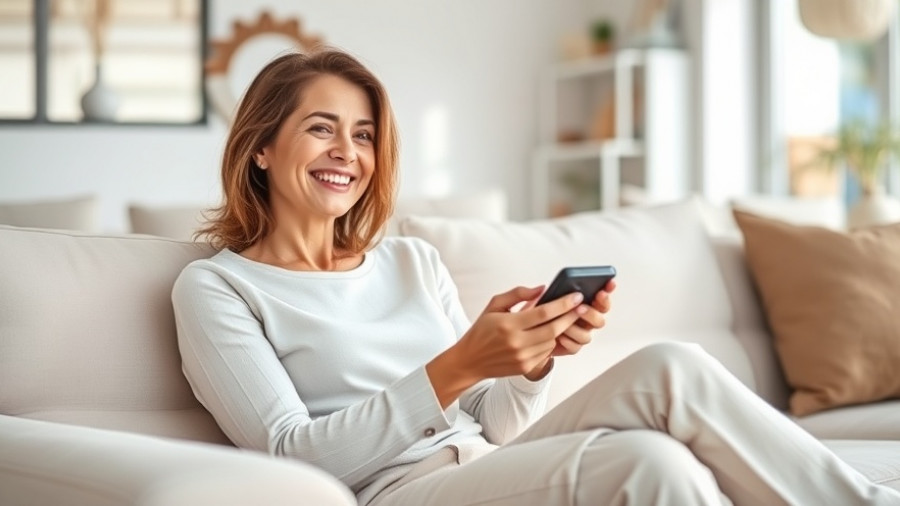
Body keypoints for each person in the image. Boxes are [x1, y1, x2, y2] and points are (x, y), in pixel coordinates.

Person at [172, 47, 900, 506]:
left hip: (490, 461)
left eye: (363, 134)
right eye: (321, 127)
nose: (348, 152)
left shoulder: (408, 260)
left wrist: (530, 362)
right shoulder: (220, 290)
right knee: (645, 464)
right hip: (393, 492)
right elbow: (289, 454)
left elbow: (490, 421)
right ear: (261, 148)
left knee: (673, 366)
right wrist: (455, 367)